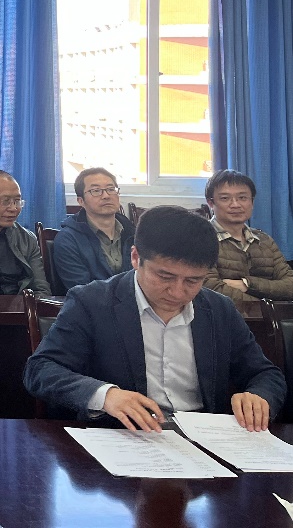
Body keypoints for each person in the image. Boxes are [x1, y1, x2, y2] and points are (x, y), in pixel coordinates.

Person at [23, 206, 285, 432]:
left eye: (193, 281)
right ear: (136, 257)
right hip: (122, 436)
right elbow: (41, 369)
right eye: (165, 277)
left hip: (204, 437)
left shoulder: (218, 309)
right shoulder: (91, 302)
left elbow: (265, 373)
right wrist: (106, 396)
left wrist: (258, 396)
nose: (178, 292)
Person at [202, 169, 293, 303]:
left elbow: (290, 285)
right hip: (222, 316)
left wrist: (246, 284)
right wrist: (267, 307)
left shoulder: (265, 240)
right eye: (225, 198)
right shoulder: (200, 240)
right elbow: (210, 288)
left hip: (273, 316)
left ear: (252, 202)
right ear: (210, 203)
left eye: (242, 198)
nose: (235, 204)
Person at [52, 167, 135, 292]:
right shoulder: (68, 239)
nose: (106, 196)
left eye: (111, 189)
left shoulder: (134, 233)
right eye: (96, 191)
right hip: (92, 303)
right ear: (81, 201)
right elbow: (82, 291)